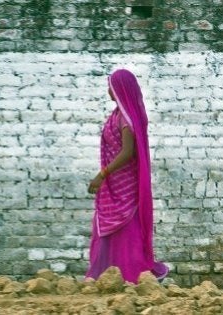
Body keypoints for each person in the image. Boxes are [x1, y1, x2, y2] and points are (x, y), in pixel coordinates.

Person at [86, 69, 168, 283]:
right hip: (112, 183)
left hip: (124, 183)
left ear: (120, 89)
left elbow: (127, 152)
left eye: (111, 87)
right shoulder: (117, 114)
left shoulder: (126, 118)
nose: (108, 91)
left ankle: (134, 274)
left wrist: (102, 174)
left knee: (127, 227)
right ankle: (104, 274)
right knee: (107, 225)